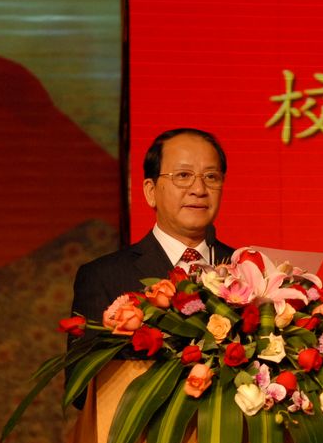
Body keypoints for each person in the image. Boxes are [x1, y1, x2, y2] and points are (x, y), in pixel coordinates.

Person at [71, 127, 236, 330]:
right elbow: (91, 351)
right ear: (151, 191)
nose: (199, 189)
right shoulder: (103, 278)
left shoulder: (246, 272)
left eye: (211, 177)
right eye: (183, 175)